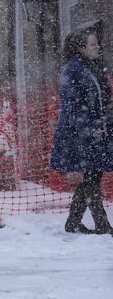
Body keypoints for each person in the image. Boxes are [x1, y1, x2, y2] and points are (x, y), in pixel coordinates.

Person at [50, 30, 113, 234]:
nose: (97, 48)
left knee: (93, 175)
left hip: (96, 131)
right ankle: (102, 224)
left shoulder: (92, 67)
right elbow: (72, 105)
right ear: (81, 48)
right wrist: (88, 128)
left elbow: (102, 98)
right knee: (92, 176)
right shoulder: (73, 70)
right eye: (92, 45)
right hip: (80, 134)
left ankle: (73, 222)